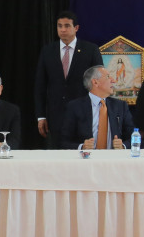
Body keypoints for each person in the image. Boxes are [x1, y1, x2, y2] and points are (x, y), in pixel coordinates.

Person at [33, 10, 103, 149]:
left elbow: (99, 83)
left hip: (84, 114)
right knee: (58, 154)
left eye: (67, 26)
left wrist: (99, 113)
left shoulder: (90, 50)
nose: (63, 30)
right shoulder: (48, 51)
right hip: (56, 116)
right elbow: (40, 85)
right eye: (59, 26)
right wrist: (41, 116)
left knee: (84, 152)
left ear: (76, 28)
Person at [60, 65, 136, 150]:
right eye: (108, 77)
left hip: (113, 157)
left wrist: (123, 146)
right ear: (95, 82)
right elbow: (63, 141)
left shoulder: (120, 106)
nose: (113, 81)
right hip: (86, 157)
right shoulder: (75, 107)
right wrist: (82, 147)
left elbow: (134, 136)